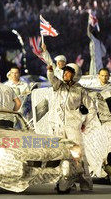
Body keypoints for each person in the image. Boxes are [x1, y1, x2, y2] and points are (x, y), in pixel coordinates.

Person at [47, 63, 96, 191]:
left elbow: (92, 109)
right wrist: (50, 71)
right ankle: (66, 182)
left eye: (69, 72)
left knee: (78, 155)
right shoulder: (59, 86)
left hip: (73, 126)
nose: (65, 74)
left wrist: (85, 123)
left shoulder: (80, 90)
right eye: (65, 72)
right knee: (61, 154)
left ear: (75, 75)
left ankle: (86, 184)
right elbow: (52, 79)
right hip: (58, 126)